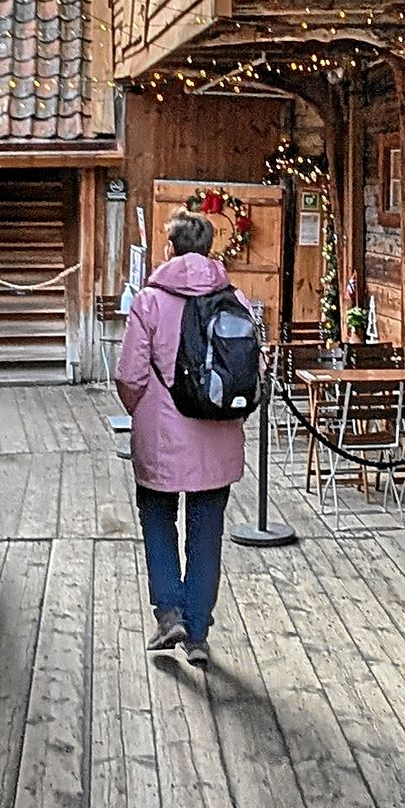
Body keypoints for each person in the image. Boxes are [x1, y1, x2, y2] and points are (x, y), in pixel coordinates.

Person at [115, 210, 246, 665]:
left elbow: (130, 374)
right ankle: (197, 633)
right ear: (209, 249)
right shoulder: (234, 298)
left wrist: (143, 411)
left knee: (157, 519)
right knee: (206, 532)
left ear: (170, 249)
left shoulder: (150, 302)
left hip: (162, 436)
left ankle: (169, 611)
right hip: (218, 438)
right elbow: (253, 370)